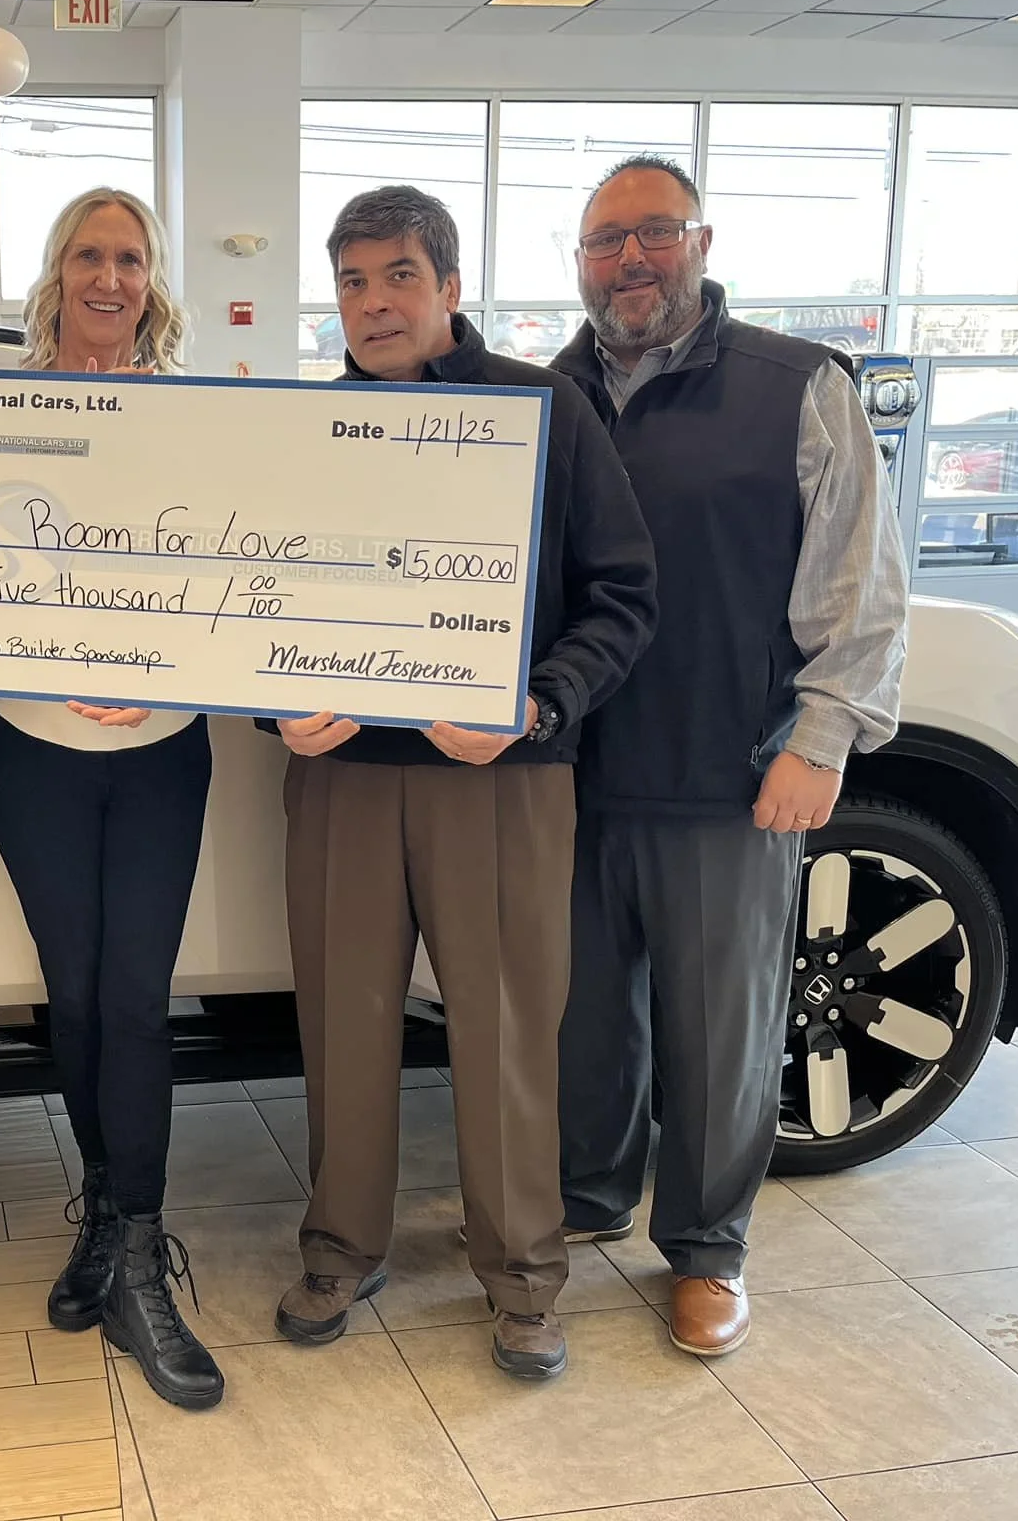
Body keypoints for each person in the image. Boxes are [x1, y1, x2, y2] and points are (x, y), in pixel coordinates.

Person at [270, 185, 657, 1381]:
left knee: (502, 1034)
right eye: (349, 282)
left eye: (395, 277)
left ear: (448, 286)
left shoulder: (542, 412)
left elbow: (623, 597)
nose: (372, 303)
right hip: (338, 776)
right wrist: (269, 699)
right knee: (341, 1026)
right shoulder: (297, 434)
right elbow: (242, 599)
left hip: (497, 776)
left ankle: (525, 1275)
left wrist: (537, 706)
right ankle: (341, 1245)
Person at [552, 155, 908, 1358]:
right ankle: (583, 1202)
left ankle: (705, 1251)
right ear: (579, 263)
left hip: (729, 774)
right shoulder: (544, 395)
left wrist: (821, 740)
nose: (630, 261)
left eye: (653, 234)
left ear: (699, 241)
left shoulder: (792, 386)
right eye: (606, 243)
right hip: (568, 777)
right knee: (582, 1020)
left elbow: (860, 590)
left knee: (721, 1033)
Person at [0, 189, 222, 1411]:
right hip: (31, 747)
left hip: (161, 751)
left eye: (129, 259)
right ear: (56, 274)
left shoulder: (194, 419)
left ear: (152, 281)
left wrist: (165, 664)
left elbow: (235, 572)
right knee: (78, 995)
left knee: (137, 1002)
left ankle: (140, 1251)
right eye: (88, 256)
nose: (108, 277)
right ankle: (100, 1217)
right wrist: (28, 665)